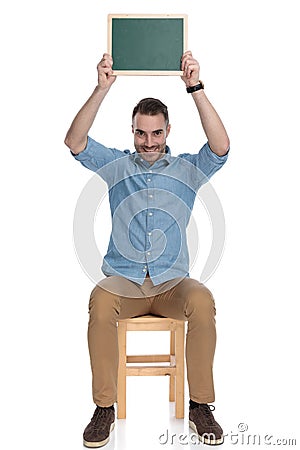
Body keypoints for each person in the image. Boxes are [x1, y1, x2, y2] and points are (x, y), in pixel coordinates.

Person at [65, 51, 230, 447]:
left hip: (173, 285)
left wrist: (196, 89)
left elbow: (222, 146)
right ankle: (104, 408)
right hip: (125, 284)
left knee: (203, 301)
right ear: (133, 132)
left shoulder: (188, 170)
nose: (149, 142)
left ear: (168, 131)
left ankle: (200, 406)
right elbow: (74, 142)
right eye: (141, 133)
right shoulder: (117, 166)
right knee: (99, 302)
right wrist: (101, 89)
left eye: (156, 133)